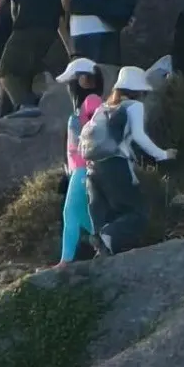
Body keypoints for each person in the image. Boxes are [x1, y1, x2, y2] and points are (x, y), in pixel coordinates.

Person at [80, 67, 175, 254]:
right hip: (115, 165)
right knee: (138, 214)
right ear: (138, 90)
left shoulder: (104, 107)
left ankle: (100, 247)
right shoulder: (133, 106)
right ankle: (106, 237)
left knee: (107, 213)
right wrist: (163, 154)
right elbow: (139, 136)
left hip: (93, 168)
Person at [56, 59, 104, 265]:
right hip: (79, 169)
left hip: (84, 168)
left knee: (70, 213)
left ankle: (65, 261)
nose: (70, 88)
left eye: (71, 82)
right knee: (85, 216)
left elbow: (97, 132)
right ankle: (104, 246)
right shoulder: (87, 104)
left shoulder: (92, 101)